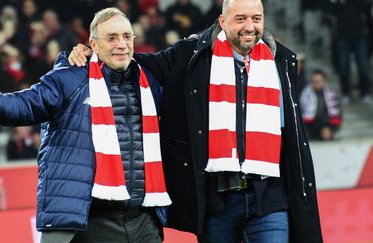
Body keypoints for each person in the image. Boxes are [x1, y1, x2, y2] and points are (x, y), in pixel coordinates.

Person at [68, 0, 323, 242]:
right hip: (218, 201)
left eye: (256, 19)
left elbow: (291, 136)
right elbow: (137, 63)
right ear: (222, 21)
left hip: (270, 197)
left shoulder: (281, 62)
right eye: (240, 19)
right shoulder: (190, 55)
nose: (250, 26)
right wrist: (93, 52)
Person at [0, 7, 171, 243]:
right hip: (92, 222)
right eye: (112, 37)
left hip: (144, 221)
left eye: (127, 36)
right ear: (93, 45)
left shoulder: (151, 82)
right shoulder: (70, 78)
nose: (122, 44)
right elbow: (24, 105)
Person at [300, 70, 342, 141]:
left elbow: (338, 114)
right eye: (314, 81)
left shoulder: (331, 95)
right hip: (311, 129)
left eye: (318, 81)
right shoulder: (304, 95)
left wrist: (329, 128)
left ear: (324, 81)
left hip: (328, 127)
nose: (316, 83)